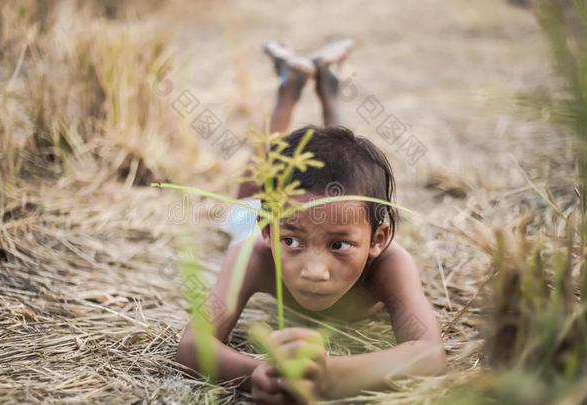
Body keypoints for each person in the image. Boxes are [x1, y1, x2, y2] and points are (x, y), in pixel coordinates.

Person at [176, 39, 446, 404]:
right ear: (269, 232)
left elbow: (429, 353)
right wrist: (255, 373)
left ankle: (327, 86)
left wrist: (331, 376)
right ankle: (288, 90)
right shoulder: (252, 251)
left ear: (378, 239)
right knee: (252, 189)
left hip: (314, 211)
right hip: (264, 213)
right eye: (291, 241)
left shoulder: (390, 263)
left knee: (343, 164)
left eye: (339, 245)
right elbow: (193, 344)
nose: (314, 271)